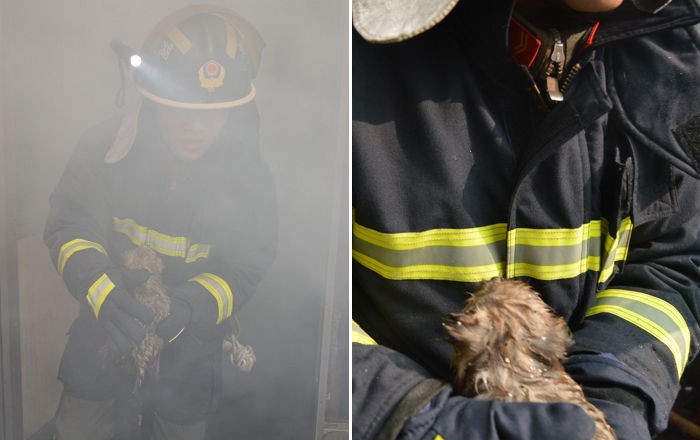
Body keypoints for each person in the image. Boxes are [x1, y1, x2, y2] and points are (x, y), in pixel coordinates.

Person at [352, 0, 700, 438]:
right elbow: (274, 296)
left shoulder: (682, 50)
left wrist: (614, 401)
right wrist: (414, 418)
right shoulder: (337, 51)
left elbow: (676, 258)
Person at [43, 5, 277, 439]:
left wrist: (190, 307)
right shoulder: (104, 149)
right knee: (79, 429)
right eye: (180, 109)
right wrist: (104, 292)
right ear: (151, 100)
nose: (196, 127)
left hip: (192, 349)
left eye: (213, 112)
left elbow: (246, 268)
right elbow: (69, 227)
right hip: (104, 329)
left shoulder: (250, 181)